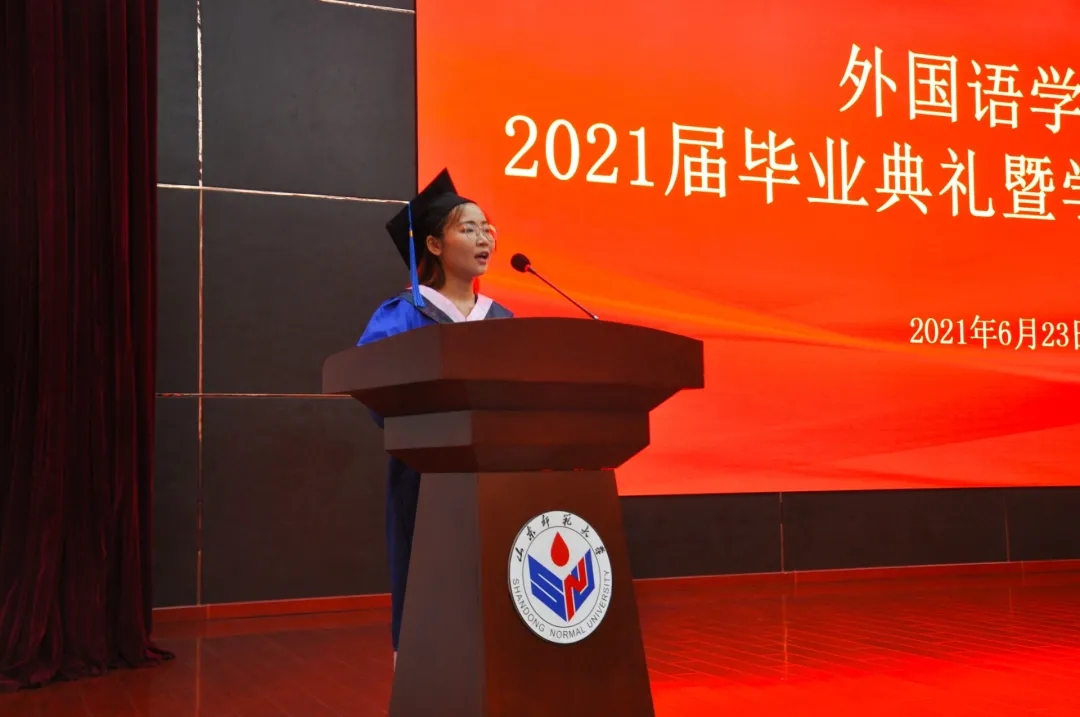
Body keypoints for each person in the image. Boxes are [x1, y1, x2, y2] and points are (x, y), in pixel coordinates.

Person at [357, 169, 513, 670]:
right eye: (468, 228)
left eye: (487, 228)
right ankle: (422, 673)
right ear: (434, 245)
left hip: (497, 474)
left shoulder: (502, 320)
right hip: (425, 476)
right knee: (427, 568)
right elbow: (375, 383)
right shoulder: (403, 314)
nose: (484, 238)